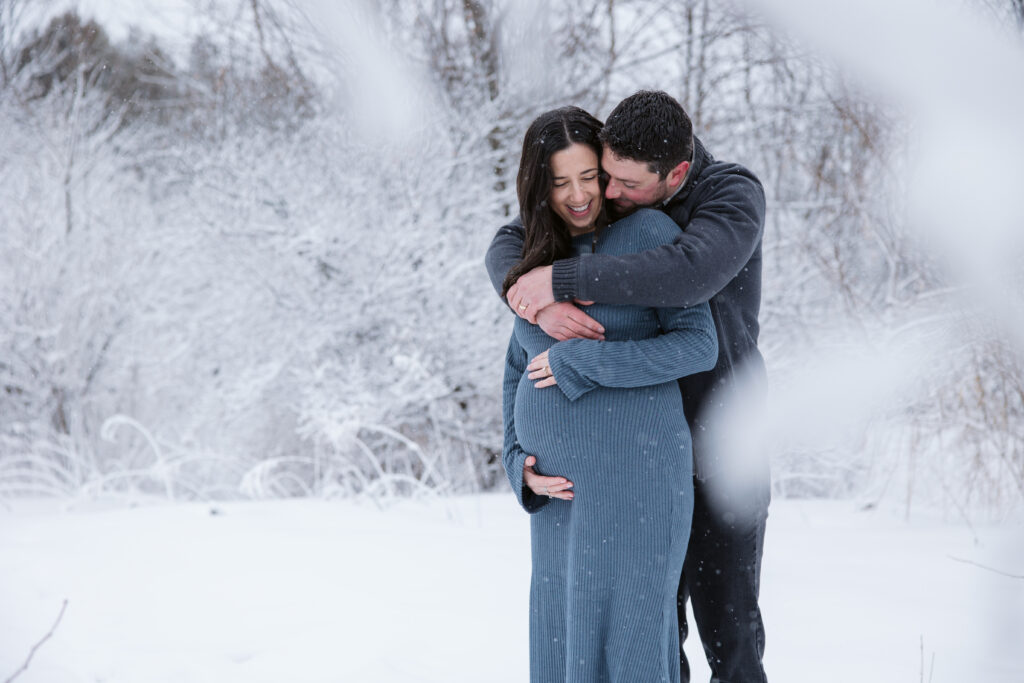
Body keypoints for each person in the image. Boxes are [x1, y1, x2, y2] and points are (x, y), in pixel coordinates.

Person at [486, 91, 770, 683]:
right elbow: (509, 245)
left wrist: (562, 284)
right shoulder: (592, 214)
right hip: (607, 471)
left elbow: (688, 273)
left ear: (676, 174)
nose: (605, 193)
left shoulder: (727, 196)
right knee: (650, 634)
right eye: (602, 175)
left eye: (620, 183)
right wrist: (530, 297)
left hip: (717, 438)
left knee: (730, 633)